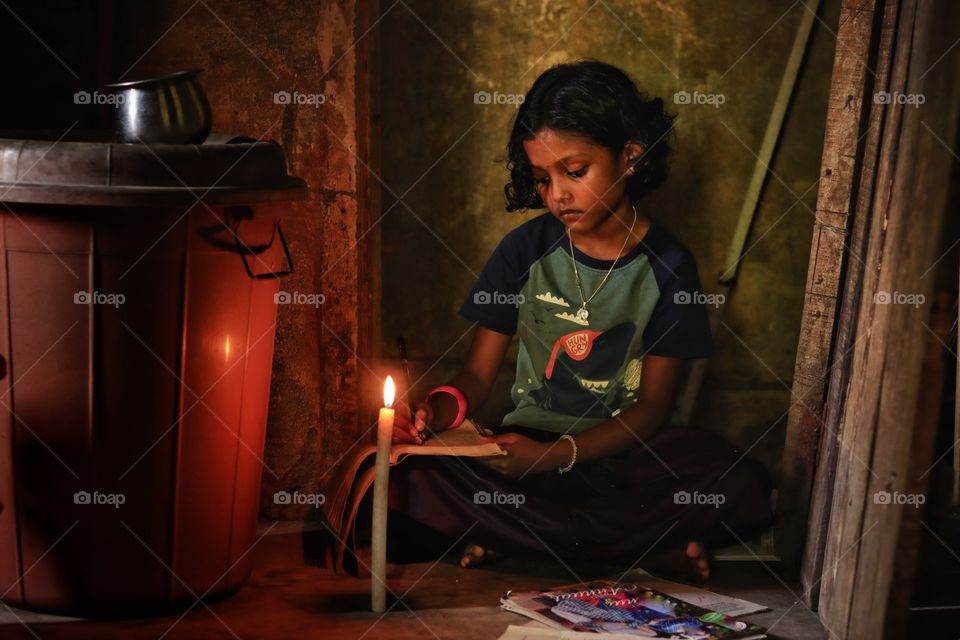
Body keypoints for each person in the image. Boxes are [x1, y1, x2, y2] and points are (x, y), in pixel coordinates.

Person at [385, 59, 773, 581]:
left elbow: (654, 408)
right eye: (542, 178)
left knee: (738, 481)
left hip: (622, 456)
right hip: (523, 455)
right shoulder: (523, 250)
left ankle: (514, 541)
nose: (557, 195)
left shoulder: (670, 266)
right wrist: (435, 411)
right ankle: (638, 551)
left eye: (574, 171)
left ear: (630, 157)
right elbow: (477, 377)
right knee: (409, 478)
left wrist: (556, 457)